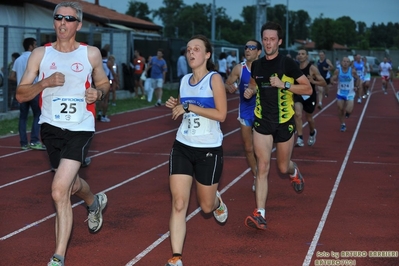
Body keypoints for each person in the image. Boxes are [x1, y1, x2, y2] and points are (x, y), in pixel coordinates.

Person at [15, 2, 109, 266]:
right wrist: (44, 82)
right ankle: (93, 202)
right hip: (51, 128)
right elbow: (21, 94)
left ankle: (58, 257)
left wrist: (98, 93)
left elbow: (104, 82)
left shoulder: (90, 54)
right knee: (72, 184)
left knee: (59, 191)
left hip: (81, 127)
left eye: (69, 19)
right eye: (59, 18)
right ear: (54, 22)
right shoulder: (39, 55)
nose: (63, 23)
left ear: (78, 25)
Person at [164, 34, 228, 266]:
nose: (191, 53)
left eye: (197, 49)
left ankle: (217, 202)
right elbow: (185, 110)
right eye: (188, 49)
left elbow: (221, 114)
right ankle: (176, 257)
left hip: (208, 150)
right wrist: (178, 106)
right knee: (179, 203)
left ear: (207, 54)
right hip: (183, 145)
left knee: (206, 207)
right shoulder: (184, 80)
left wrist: (189, 105)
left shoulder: (215, 80)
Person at [243, 21, 312, 230]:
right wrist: (250, 91)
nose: (268, 42)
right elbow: (254, 84)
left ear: (280, 41)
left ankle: (293, 171)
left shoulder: (288, 64)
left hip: (284, 122)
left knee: (282, 166)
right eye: (265, 39)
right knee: (262, 167)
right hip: (262, 121)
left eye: (272, 39)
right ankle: (260, 214)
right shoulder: (257, 64)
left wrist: (285, 85)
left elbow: (307, 89)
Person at [225, 39, 262, 192]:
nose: (248, 50)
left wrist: (255, 90)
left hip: (263, 111)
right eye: (246, 47)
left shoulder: (266, 67)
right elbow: (227, 83)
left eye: (252, 47)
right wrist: (231, 87)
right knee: (248, 148)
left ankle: (262, 174)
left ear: (259, 52)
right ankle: (257, 176)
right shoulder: (239, 69)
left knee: (261, 148)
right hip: (246, 111)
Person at [9, 37, 46, 150]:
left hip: (22, 91)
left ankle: (23, 143)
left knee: (23, 117)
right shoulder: (35, 58)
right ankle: (34, 141)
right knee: (37, 115)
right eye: (35, 45)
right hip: (33, 90)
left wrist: (21, 81)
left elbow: (11, 76)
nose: (36, 47)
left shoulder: (18, 59)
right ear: (30, 46)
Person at [294, 49, 327, 147]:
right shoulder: (295, 68)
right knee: (298, 114)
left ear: (307, 56)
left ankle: (312, 132)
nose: (300, 56)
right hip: (298, 95)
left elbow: (324, 83)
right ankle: (300, 138)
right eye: (299, 54)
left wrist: (313, 81)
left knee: (309, 118)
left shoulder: (312, 68)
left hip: (309, 96)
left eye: (303, 54)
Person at [331, 57, 360, 132]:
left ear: (349, 63)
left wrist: (356, 86)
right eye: (344, 61)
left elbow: (358, 78)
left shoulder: (352, 71)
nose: (345, 63)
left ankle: (348, 113)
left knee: (348, 110)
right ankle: (343, 124)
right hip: (340, 92)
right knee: (340, 109)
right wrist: (333, 81)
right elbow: (333, 77)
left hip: (350, 93)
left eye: (347, 62)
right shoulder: (338, 70)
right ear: (341, 62)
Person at [97, 48, 112, 122]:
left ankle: (99, 112)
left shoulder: (98, 62)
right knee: (106, 99)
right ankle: (103, 115)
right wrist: (116, 80)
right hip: (106, 81)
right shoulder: (108, 63)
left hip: (99, 81)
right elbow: (112, 72)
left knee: (100, 98)